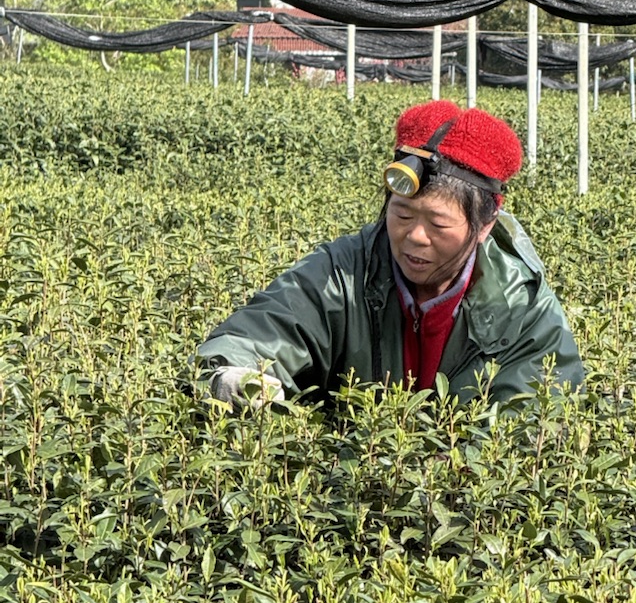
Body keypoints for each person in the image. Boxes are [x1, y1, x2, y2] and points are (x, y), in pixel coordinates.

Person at [196, 99, 584, 408]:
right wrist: (236, 373)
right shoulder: (344, 272)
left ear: (485, 225)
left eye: (439, 223)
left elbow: (533, 419)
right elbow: (266, 329)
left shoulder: (524, 310)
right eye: (402, 212)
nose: (415, 236)